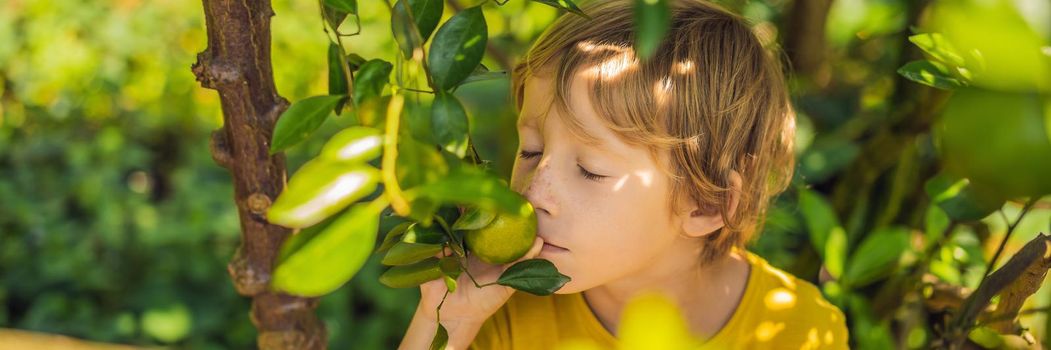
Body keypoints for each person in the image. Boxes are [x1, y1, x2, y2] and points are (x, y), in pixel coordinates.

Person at [400, 0, 849, 348]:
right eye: (532, 151)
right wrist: (451, 321)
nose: (534, 193)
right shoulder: (499, 303)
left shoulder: (796, 332)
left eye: (591, 171)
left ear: (708, 203)